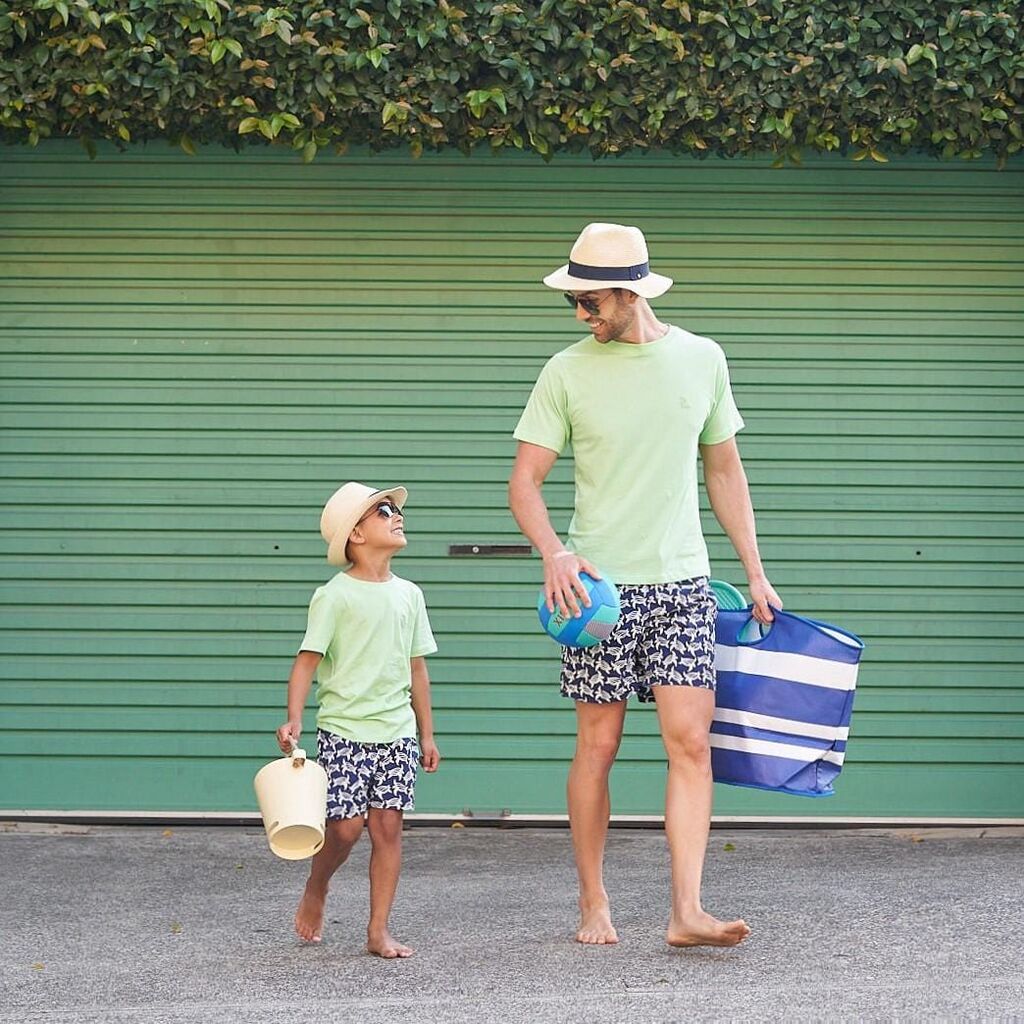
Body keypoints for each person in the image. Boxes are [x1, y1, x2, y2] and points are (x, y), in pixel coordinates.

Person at [508, 222, 781, 948]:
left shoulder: (703, 359)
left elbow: (725, 471)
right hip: (596, 593)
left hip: (683, 584)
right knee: (597, 747)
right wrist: (555, 554)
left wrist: (755, 571)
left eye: (590, 302)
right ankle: (593, 900)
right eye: (573, 302)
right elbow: (524, 483)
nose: (580, 315)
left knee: (691, 744)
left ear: (630, 294)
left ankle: (687, 911)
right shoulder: (564, 372)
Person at [275, 481, 440, 958]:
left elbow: (418, 669)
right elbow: (306, 661)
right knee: (345, 828)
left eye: (394, 510)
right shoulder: (334, 596)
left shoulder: (410, 595)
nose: (397, 515)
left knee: (388, 830)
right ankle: (317, 884)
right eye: (383, 511)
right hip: (344, 731)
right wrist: (294, 719)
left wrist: (427, 734)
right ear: (357, 534)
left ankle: (378, 930)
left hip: (397, 733)